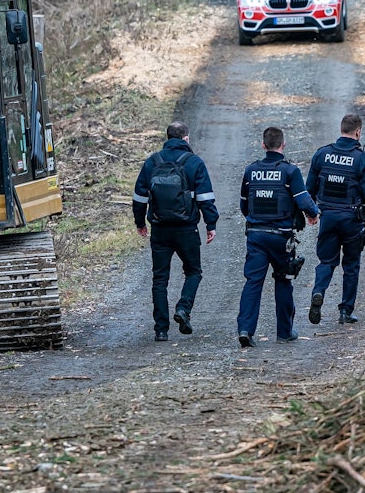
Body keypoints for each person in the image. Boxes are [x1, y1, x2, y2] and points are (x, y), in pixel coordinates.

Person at [133, 121, 219, 341]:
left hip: (160, 229)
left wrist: (140, 222)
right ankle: (183, 308)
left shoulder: (153, 161)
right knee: (193, 271)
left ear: (167, 137)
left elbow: (139, 196)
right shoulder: (194, 162)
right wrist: (211, 224)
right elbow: (205, 198)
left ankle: (161, 330)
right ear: (186, 139)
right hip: (186, 229)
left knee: (159, 279)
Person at [237, 127, 320, 348]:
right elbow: (303, 201)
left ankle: (245, 329)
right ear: (283, 145)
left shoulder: (250, 171)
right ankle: (284, 332)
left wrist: (257, 221)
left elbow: (244, 205)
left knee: (253, 283)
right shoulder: (290, 171)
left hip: (255, 235)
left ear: (263, 145)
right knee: (284, 281)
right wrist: (314, 214)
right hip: (281, 238)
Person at [305, 113, 365, 325]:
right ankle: (345, 311)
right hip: (352, 219)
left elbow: (309, 189)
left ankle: (319, 291)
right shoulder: (362, 159)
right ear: (358, 132)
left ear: (341, 129)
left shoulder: (322, 154)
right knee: (351, 264)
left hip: (328, 217)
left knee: (326, 261)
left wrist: (310, 213)